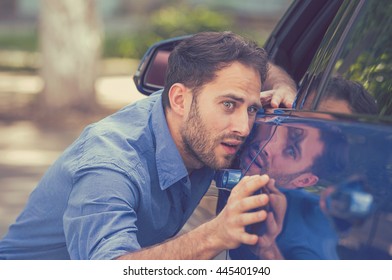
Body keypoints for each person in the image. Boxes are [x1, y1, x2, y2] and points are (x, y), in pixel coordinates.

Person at [0, 31, 296, 260]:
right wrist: (215, 234)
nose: (244, 128)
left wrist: (285, 86)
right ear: (180, 99)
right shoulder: (110, 163)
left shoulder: (200, 122)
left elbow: (258, 68)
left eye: (252, 108)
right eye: (229, 104)